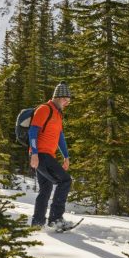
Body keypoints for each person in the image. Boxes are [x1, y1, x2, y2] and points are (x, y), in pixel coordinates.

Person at [29, 81, 75, 231]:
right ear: (60, 97)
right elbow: (32, 131)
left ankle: (37, 223)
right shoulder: (44, 109)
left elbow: (60, 137)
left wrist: (66, 157)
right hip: (41, 155)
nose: (67, 103)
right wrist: (34, 153)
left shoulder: (58, 114)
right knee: (65, 180)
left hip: (48, 155)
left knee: (46, 188)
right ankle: (55, 219)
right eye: (67, 100)